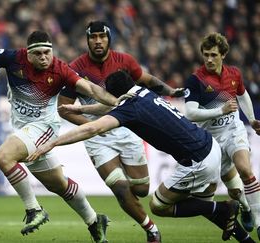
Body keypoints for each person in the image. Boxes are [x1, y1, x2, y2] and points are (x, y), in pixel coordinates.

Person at [27, 70, 256, 242]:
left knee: (158, 205)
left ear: (114, 93)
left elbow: (92, 129)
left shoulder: (129, 108)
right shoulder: (143, 93)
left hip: (198, 161)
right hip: (210, 147)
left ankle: (225, 208)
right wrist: (82, 109)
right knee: (200, 207)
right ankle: (245, 238)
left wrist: (53, 143)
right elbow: (113, 106)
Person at [0, 30, 128, 243]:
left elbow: (91, 89)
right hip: (23, 129)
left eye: (47, 52)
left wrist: (118, 103)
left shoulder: (60, 70)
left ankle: (34, 209)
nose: (43, 57)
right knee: (59, 185)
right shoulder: (14, 58)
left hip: (44, 127)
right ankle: (95, 221)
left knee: (3, 156)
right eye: (38, 53)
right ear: (28, 54)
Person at [59, 20, 184, 243]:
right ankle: (152, 230)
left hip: (127, 129)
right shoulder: (75, 68)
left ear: (109, 38)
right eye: (93, 37)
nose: (98, 41)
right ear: (87, 40)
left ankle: (132, 203)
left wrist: (171, 91)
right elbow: (64, 109)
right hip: (98, 137)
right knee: (119, 188)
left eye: (102, 36)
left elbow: (147, 80)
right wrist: (90, 128)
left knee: (142, 189)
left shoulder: (124, 61)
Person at [184, 32, 260, 237]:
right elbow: (190, 114)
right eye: (206, 54)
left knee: (245, 169)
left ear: (223, 55)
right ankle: (244, 207)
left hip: (234, 130)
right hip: (211, 140)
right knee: (234, 191)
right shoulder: (196, 80)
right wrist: (220, 110)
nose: (209, 59)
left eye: (213, 55)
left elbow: (243, 95)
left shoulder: (234, 74)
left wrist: (251, 119)